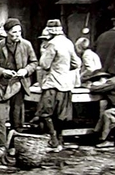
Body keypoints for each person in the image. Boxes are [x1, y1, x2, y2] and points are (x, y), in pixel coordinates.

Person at [0, 18, 38, 159]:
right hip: (1, 85)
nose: (17, 35)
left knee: (17, 118)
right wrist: (3, 71)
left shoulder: (26, 45)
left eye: (19, 32)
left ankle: (14, 147)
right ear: (6, 33)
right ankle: (0, 146)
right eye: (14, 32)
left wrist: (25, 71)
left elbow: (34, 62)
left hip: (19, 85)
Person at [35, 20, 81, 151]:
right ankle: (60, 140)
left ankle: (53, 140)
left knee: (45, 113)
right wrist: (63, 68)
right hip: (65, 84)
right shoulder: (68, 42)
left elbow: (44, 64)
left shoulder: (52, 44)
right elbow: (76, 63)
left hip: (52, 84)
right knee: (61, 115)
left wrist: (43, 50)